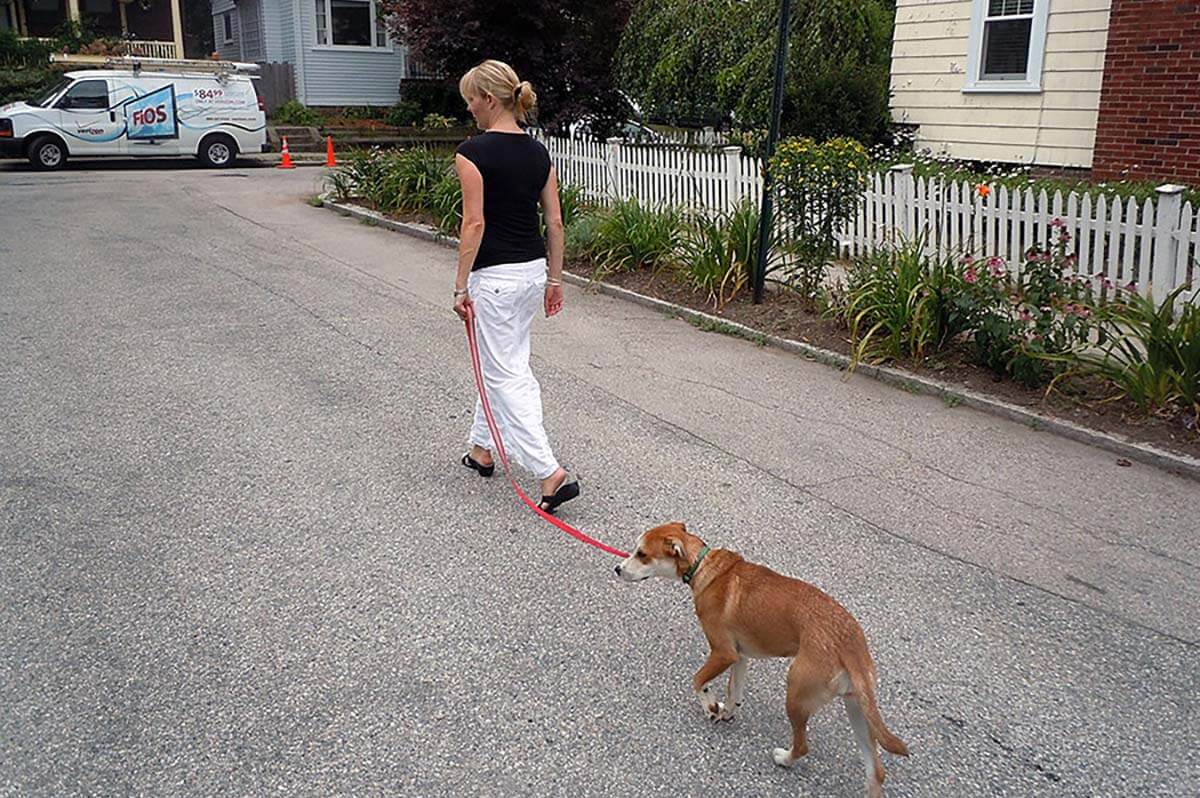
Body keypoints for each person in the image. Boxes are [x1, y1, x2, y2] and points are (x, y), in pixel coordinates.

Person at [452, 59, 579, 515]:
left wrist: (460, 286)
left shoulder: (472, 153)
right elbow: (556, 221)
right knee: (501, 362)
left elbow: (474, 223)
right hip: (530, 274)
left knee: (508, 373)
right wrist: (555, 279)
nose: (469, 108)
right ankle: (483, 450)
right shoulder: (538, 152)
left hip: (496, 280)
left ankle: (549, 472)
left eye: (471, 99)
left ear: (487, 99)